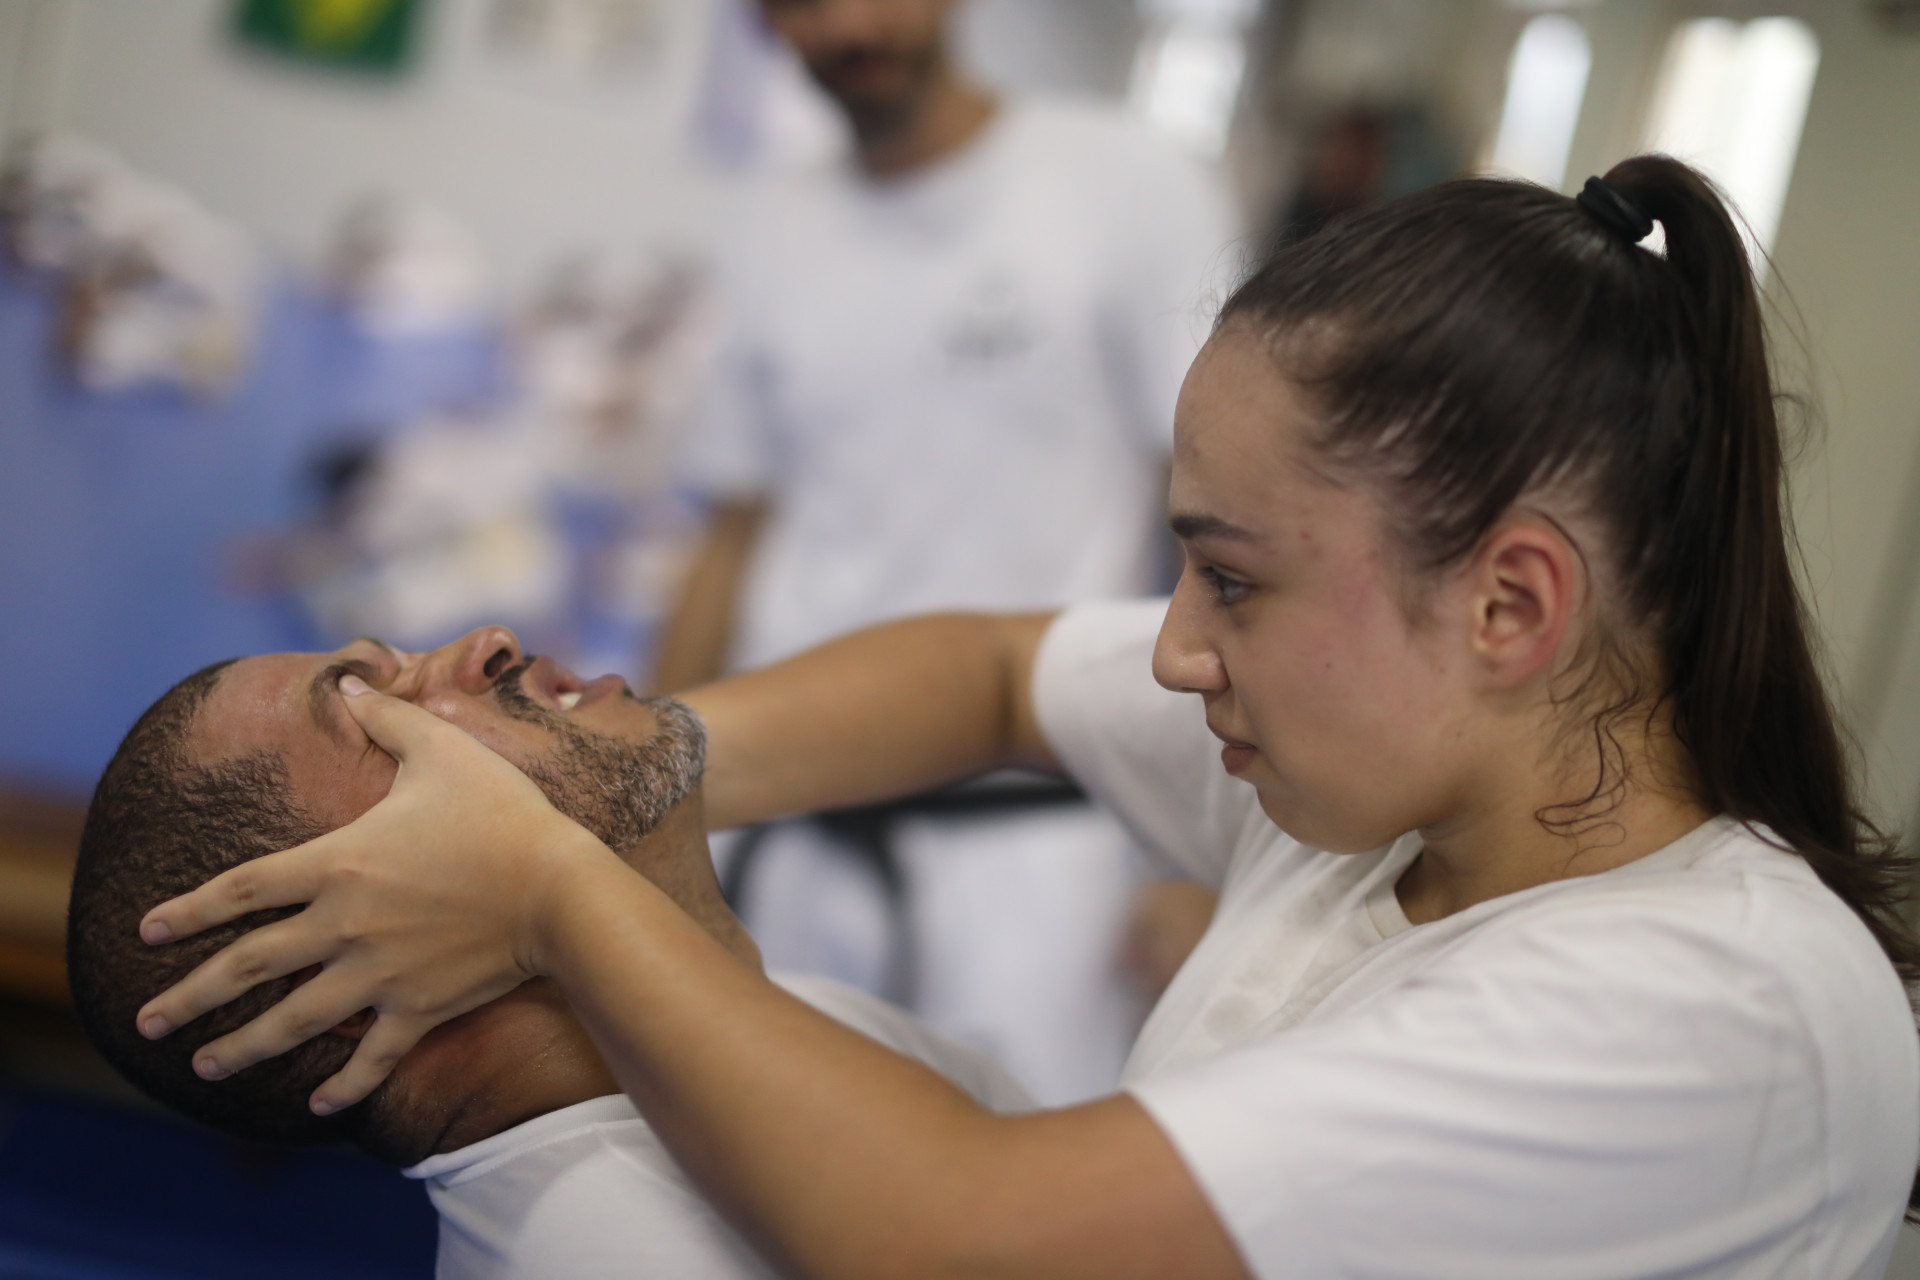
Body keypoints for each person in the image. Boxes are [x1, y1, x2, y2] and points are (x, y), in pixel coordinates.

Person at [139, 158, 1920, 1278]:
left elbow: (956, 1233)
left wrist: (547, 868)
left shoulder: (1708, 1009)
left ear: (1511, 606)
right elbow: (992, 674)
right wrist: (610, 767)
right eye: (395, 736)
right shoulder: (1386, 807)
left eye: (1232, 578)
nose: (1174, 651)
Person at [656, 0, 1240, 1101]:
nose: (848, 26)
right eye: (800, 4)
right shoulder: (771, 222)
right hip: (789, 822)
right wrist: (643, 784)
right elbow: (733, 529)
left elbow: (1229, 517)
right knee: (752, 1157)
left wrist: (1200, 853)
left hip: (1031, 848)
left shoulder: (1122, 184)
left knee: (1017, 1179)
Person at [67, 629, 1029, 1280]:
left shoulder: (726, 1035)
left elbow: (1005, 680)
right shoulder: (623, 1256)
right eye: (377, 710)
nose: (489, 642)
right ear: (340, 964)